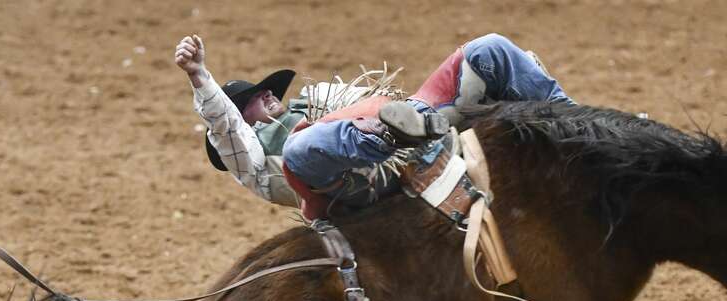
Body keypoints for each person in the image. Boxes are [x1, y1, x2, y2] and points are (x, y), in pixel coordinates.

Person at [175, 33, 573, 212]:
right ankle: (390, 132)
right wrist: (200, 78)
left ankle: (584, 128)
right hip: (349, 183)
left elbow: (362, 99)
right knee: (301, 147)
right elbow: (225, 128)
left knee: (487, 50)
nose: (265, 94)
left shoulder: (315, 98)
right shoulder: (254, 160)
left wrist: (394, 111)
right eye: (248, 101)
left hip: (405, 132)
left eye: (263, 90)